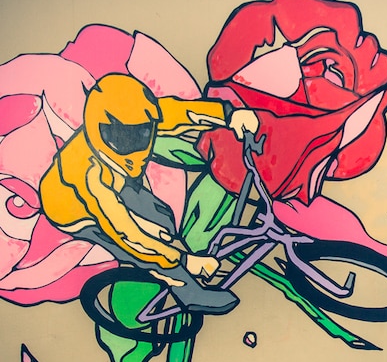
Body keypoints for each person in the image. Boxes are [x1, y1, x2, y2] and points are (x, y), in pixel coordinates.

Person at [39, 73, 257, 314]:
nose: (133, 143)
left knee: (161, 218)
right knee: (144, 243)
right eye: (121, 137)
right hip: (74, 211)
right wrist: (183, 259)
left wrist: (229, 115)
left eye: (143, 133)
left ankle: (177, 260)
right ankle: (190, 293)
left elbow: (182, 113)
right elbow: (127, 233)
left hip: (118, 182)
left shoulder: (142, 115)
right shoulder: (87, 174)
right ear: (97, 129)